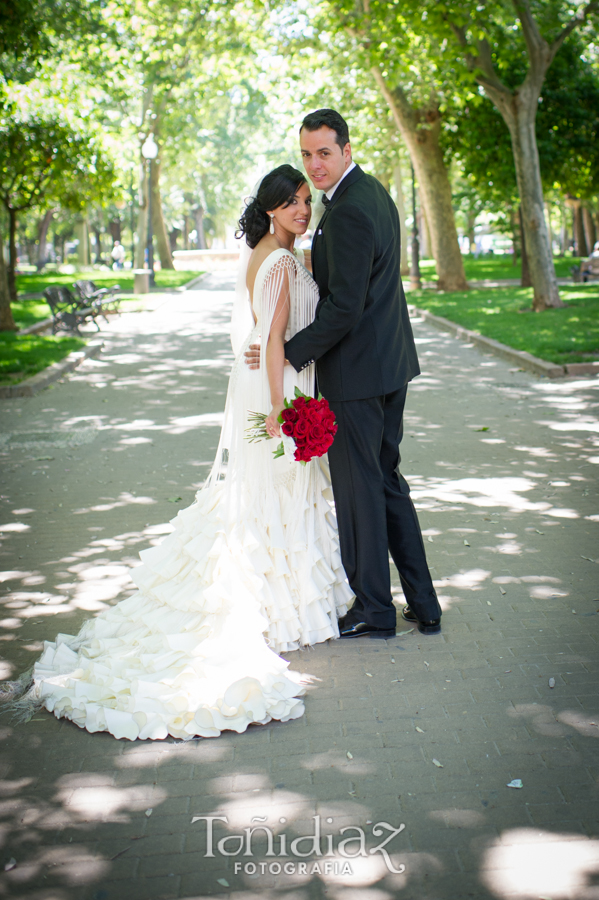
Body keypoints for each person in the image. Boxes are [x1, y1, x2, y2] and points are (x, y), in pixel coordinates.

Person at [6, 166, 351, 741]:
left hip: (270, 379)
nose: (301, 209)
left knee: (270, 494)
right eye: (290, 202)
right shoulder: (283, 259)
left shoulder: (268, 252)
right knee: (282, 490)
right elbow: (270, 339)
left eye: (304, 200)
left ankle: (285, 599)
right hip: (279, 386)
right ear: (269, 208)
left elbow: (266, 329)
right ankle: (282, 607)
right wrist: (275, 406)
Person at [246, 109, 441, 638]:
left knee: (360, 493)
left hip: (358, 376)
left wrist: (288, 351)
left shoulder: (351, 209)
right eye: (307, 154)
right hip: (388, 365)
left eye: (324, 153)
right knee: (387, 483)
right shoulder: (371, 193)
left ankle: (375, 611)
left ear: (346, 150)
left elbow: (346, 307)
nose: (315, 164)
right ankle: (424, 604)